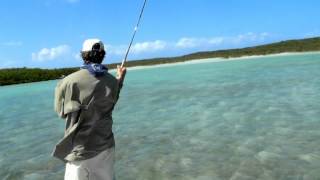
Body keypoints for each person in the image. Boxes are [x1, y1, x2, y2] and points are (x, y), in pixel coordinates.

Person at [52, 38, 126, 180]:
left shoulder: (67, 81)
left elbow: (60, 112)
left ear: (83, 55)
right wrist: (119, 81)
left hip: (80, 150)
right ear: (102, 54)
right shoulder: (112, 81)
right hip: (106, 147)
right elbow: (112, 102)